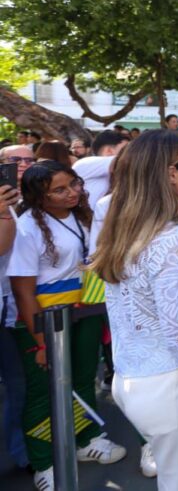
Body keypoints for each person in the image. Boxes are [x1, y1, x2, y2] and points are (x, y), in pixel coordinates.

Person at [90, 130, 178, 491]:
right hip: (174, 383)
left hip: (134, 379)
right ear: (170, 173)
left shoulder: (125, 229)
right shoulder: (170, 240)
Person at [9, 161, 127, 488]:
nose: (72, 192)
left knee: (81, 378)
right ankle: (43, 460)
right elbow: (22, 289)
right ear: (38, 196)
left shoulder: (84, 215)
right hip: (44, 318)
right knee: (42, 391)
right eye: (59, 190)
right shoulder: (28, 227)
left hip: (85, 308)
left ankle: (84, 439)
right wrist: (40, 341)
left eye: (73, 184)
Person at [0, 144, 33, 471]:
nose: (23, 165)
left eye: (29, 160)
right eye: (15, 161)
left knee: (19, 382)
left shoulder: (33, 201)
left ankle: (22, 453)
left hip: (12, 306)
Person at [73, 129, 130, 211]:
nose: (129, 153)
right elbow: (128, 161)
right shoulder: (85, 163)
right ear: (109, 150)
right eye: (125, 150)